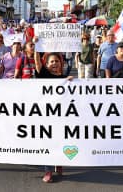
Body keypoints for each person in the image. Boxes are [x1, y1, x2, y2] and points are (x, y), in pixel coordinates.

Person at [33, 50, 72, 183]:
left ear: (61, 64)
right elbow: (37, 63)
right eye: (51, 61)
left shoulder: (65, 79)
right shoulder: (44, 74)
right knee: (48, 142)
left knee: (60, 140)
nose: (54, 63)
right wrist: (36, 47)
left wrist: (72, 82)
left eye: (57, 61)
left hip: (61, 116)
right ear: (47, 64)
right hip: (45, 115)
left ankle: (59, 162)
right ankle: (48, 170)